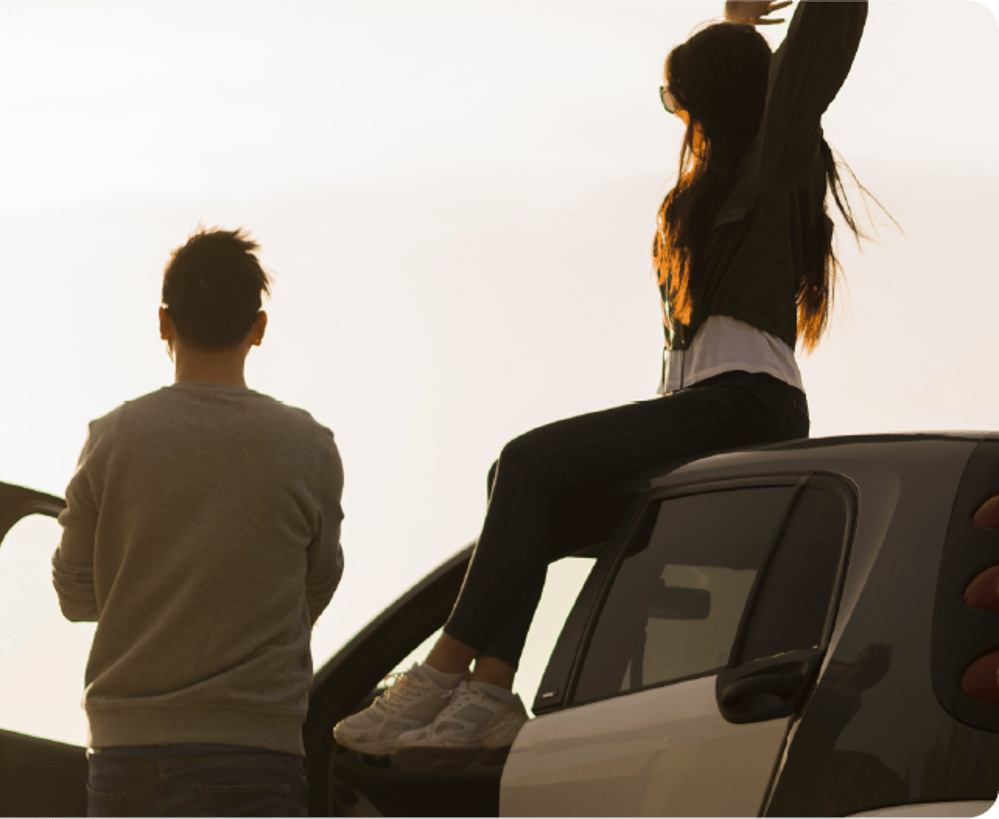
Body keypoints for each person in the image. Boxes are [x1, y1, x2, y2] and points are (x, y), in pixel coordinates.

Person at [333, 0, 876, 774]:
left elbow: (818, 50)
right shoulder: (718, 180)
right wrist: (737, 23)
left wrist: (749, 39)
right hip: (704, 408)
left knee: (526, 459)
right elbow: (748, 85)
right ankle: (489, 690)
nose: (677, 117)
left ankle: (443, 671)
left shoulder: (773, 157)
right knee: (525, 490)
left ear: (715, 103)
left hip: (747, 405)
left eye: (679, 101)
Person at [52, 227, 345, 818]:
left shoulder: (111, 439)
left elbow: (75, 594)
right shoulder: (308, 447)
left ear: (165, 322)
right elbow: (315, 584)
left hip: (123, 756)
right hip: (255, 757)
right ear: (258, 327)